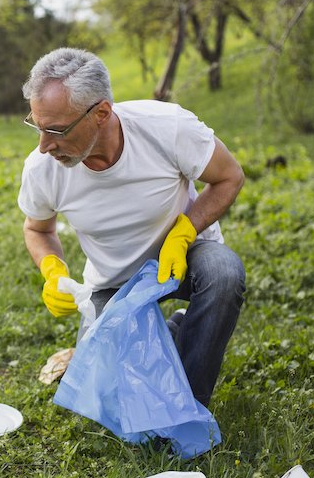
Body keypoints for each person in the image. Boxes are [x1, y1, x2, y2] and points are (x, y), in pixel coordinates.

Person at [17, 47, 245, 407]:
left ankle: (190, 401)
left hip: (184, 257)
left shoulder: (166, 127)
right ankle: (174, 332)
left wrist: (185, 232)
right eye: (37, 125)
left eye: (56, 130)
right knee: (107, 396)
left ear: (101, 113)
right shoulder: (42, 168)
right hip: (114, 280)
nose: (44, 145)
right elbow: (38, 229)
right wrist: (51, 269)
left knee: (224, 272)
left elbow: (230, 177)